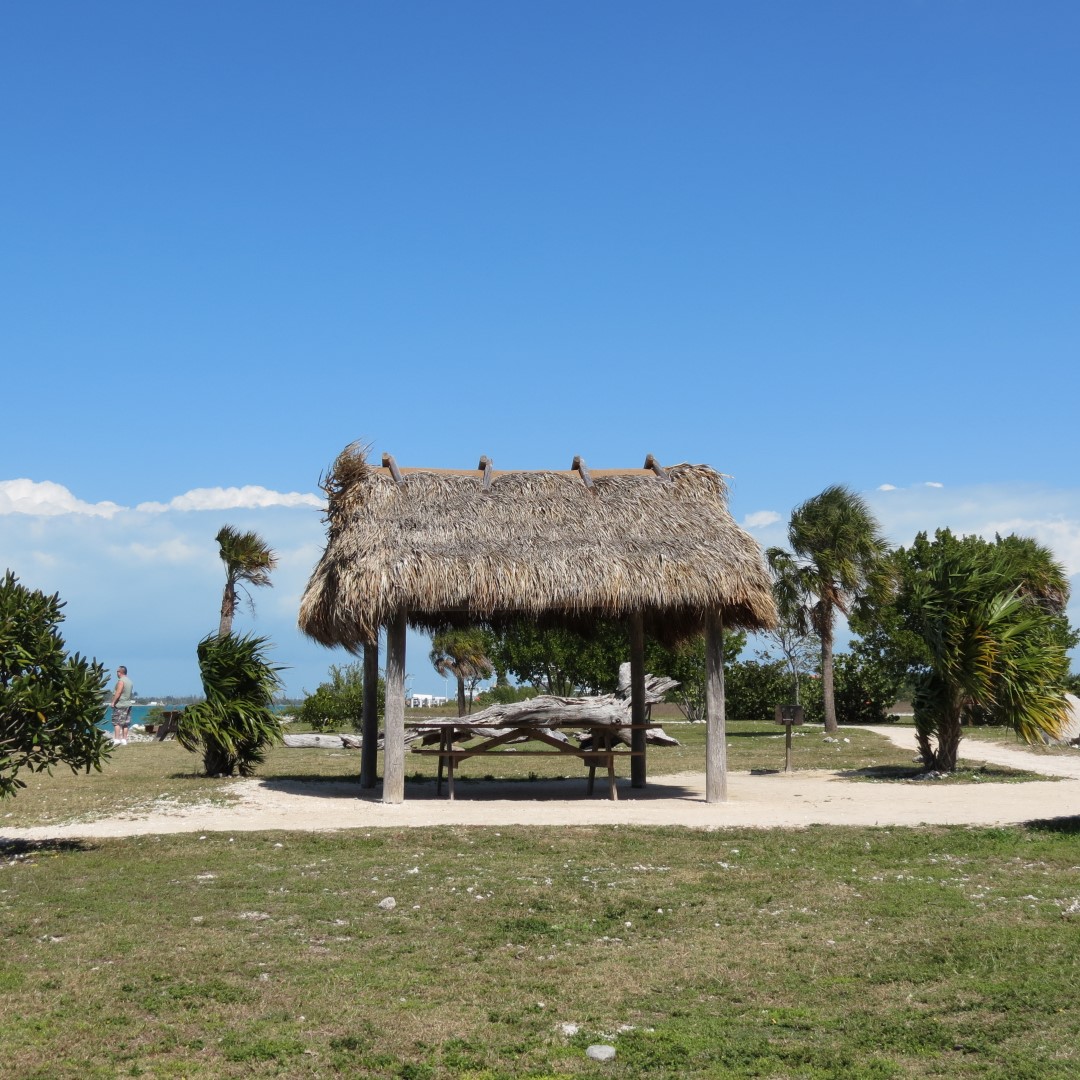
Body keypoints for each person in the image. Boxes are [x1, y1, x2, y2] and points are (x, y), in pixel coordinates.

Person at [110, 665, 134, 745]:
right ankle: (124, 739)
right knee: (126, 723)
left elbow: (118, 692)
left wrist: (113, 702)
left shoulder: (121, 681)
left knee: (116, 722)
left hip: (120, 704)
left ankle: (117, 739)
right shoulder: (130, 681)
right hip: (128, 704)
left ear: (120, 672)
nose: (116, 673)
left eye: (117, 671)